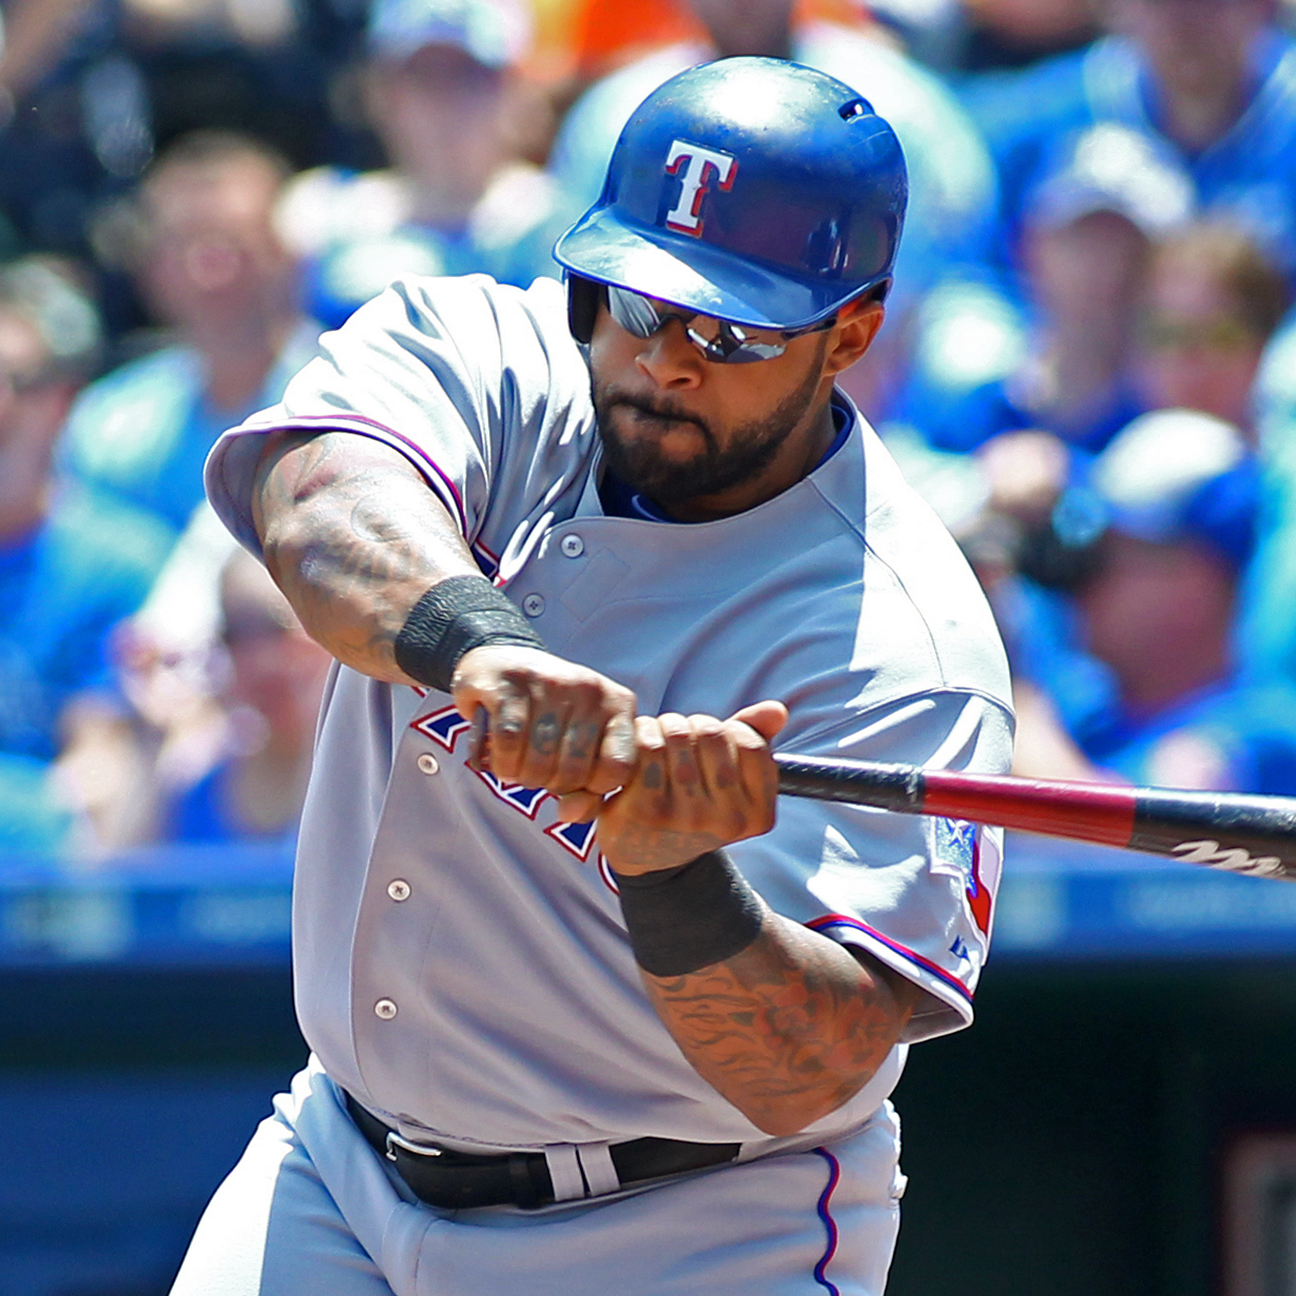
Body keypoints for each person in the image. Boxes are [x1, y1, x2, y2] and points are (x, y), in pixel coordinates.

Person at [172, 59, 1013, 1296]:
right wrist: (481, 644)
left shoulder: (902, 642)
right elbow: (314, 505)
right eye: (642, 302)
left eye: (734, 330)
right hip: (337, 1173)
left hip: (688, 1228)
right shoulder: (479, 350)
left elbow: (804, 1067)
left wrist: (673, 871)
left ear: (852, 332)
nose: (669, 361)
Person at [1010, 408, 1296, 795]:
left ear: (1192, 587)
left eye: (1103, 556)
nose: (1081, 583)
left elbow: (1119, 843)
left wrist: (1010, 707)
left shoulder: (1260, 734)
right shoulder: (1083, 701)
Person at [58, 130, 319, 536]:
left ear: (290, 253)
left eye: (234, 245)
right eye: (183, 247)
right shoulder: (106, 425)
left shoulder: (347, 401)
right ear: (150, 269)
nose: (209, 274)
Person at [0, 256, 172, 850]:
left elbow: (105, 771)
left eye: (20, 383)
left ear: (64, 402)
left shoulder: (125, 562)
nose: (0, 408)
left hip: (59, 900)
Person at [274, 0, 566, 331]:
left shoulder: (556, 224)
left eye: (468, 76)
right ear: (380, 92)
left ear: (514, 91)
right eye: (423, 75)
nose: (445, 102)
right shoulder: (318, 216)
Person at [967, 0, 1296, 287]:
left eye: (1209, 0)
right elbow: (967, 265)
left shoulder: (1286, 117)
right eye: (1158, 1)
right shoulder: (1044, 114)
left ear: (1264, 5)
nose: (1184, 23)